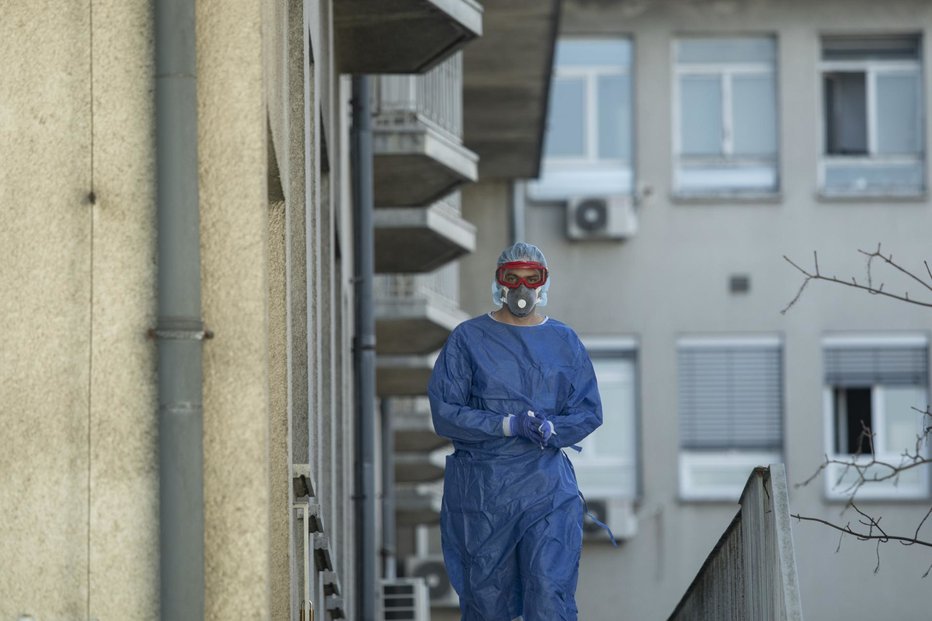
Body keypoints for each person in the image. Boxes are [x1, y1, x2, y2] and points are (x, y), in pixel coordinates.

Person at [428, 242, 603, 621]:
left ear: (543, 284)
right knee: (487, 601)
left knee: (548, 593)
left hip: (547, 491)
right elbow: (445, 413)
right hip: (484, 494)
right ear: (499, 284)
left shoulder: (564, 342)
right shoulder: (467, 340)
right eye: (513, 278)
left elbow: (588, 411)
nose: (522, 289)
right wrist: (507, 424)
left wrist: (553, 428)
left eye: (531, 278)